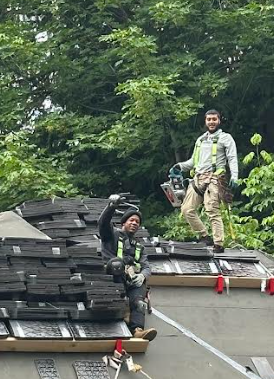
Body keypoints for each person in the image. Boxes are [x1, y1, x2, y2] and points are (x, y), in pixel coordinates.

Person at [173, 109, 239, 253]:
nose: (211, 122)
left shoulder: (225, 138)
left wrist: (235, 176)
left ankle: (218, 243)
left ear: (219, 120)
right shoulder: (201, 140)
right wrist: (180, 166)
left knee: (212, 210)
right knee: (186, 209)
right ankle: (204, 236)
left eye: (214, 119)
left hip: (214, 179)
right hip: (198, 178)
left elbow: (232, 158)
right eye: (209, 119)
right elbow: (193, 161)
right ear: (205, 121)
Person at [98, 195, 157, 341]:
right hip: (112, 277)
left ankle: (137, 330)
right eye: (131, 220)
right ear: (123, 222)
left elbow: (146, 266)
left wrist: (142, 276)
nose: (134, 223)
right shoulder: (111, 235)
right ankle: (123, 309)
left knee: (139, 297)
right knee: (117, 264)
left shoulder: (139, 247)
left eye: (137, 222)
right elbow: (102, 223)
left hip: (130, 280)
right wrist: (111, 206)